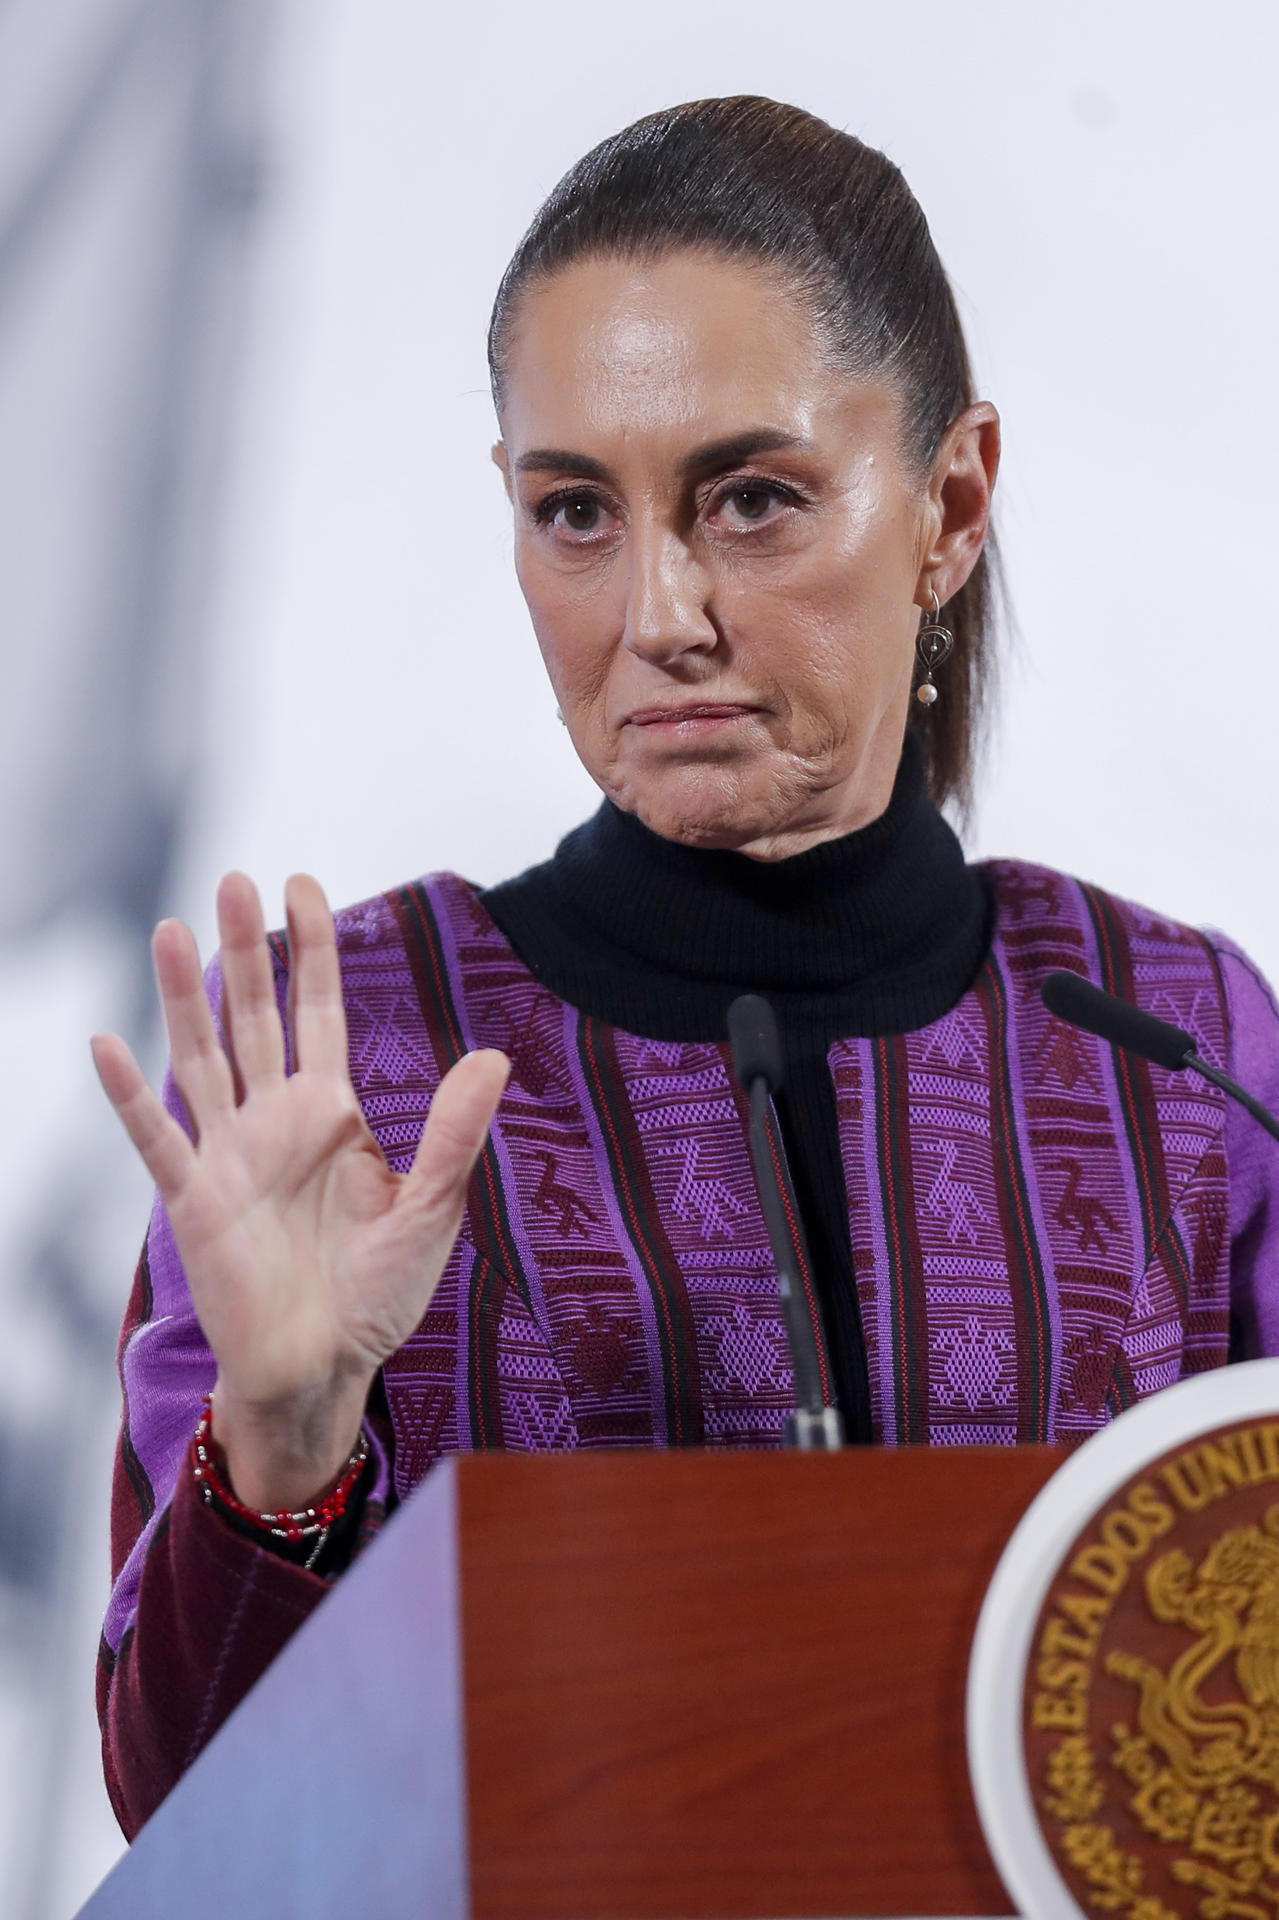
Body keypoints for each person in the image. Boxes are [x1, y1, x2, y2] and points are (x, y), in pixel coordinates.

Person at [92, 95, 1279, 1837]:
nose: (659, 614)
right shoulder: (343, 1062)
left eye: (749, 499)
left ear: (951, 502)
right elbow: (184, 1816)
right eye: (575, 512)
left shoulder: (1178, 1044)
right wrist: (279, 1450)